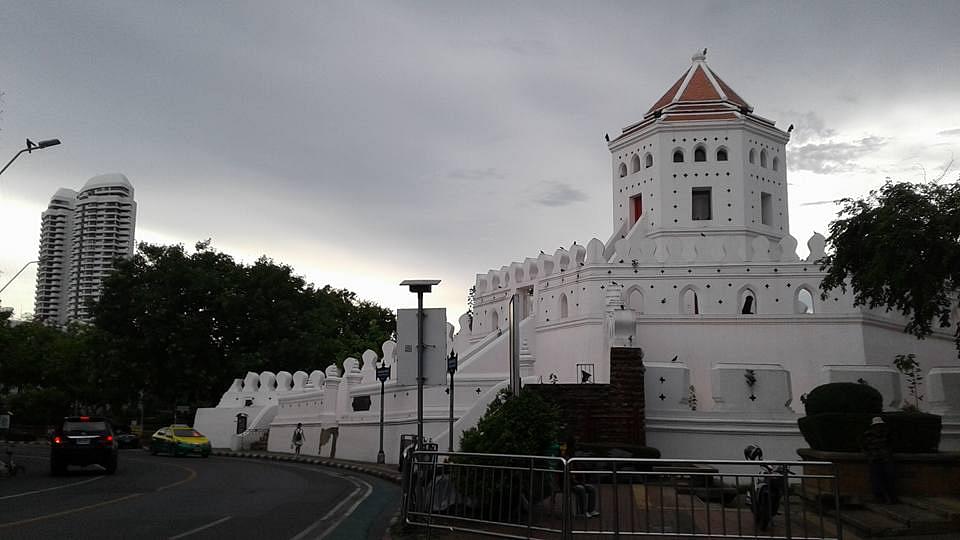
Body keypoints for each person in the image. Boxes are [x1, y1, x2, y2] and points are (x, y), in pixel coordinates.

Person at [860, 416, 897, 504]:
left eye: (880, 425)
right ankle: (879, 497)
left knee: (889, 478)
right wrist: (868, 455)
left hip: (886, 459)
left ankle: (891, 497)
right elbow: (864, 446)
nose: (878, 427)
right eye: (877, 425)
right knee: (876, 479)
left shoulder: (886, 434)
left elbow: (891, 444)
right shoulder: (868, 435)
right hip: (875, 459)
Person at [562, 437, 599, 518]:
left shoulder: (575, 455)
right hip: (567, 482)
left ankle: (591, 510)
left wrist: (581, 480)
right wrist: (575, 481)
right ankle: (582, 512)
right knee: (581, 489)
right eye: (576, 443)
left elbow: (579, 470)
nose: (577, 445)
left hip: (576, 481)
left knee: (591, 488)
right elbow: (567, 473)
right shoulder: (566, 456)